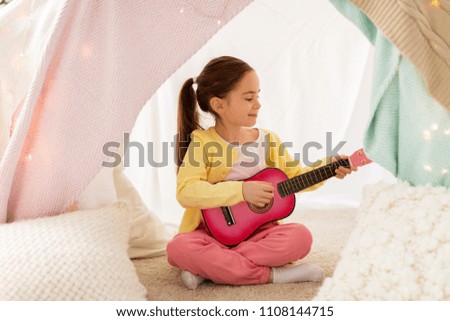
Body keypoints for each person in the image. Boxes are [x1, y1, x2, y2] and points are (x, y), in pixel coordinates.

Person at [166, 56, 356, 290]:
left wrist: (328, 168)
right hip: (209, 233)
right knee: (178, 248)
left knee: (300, 237)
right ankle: (275, 275)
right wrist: (242, 190)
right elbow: (186, 192)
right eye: (248, 98)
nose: (258, 104)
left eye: (258, 96)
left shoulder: (268, 140)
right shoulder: (203, 142)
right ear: (219, 105)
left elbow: (294, 176)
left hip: (258, 234)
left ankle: (213, 268)